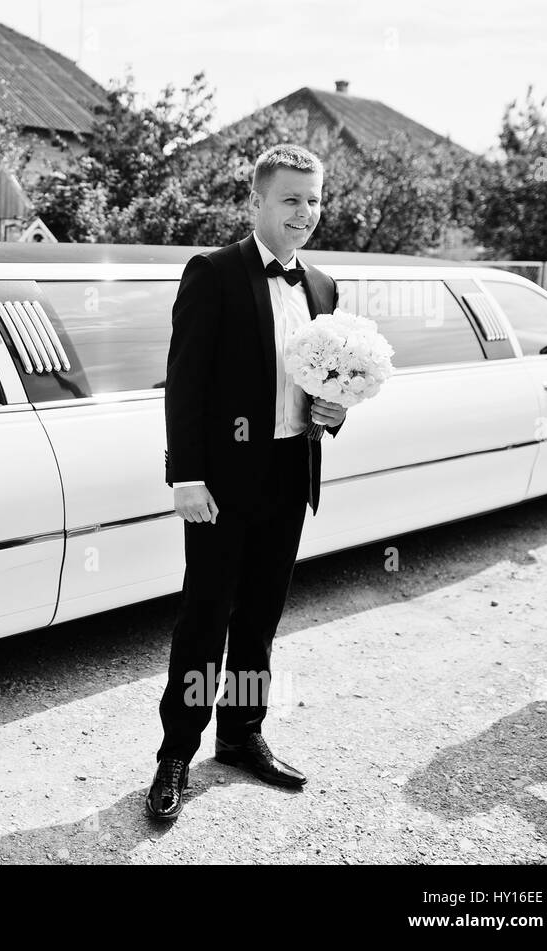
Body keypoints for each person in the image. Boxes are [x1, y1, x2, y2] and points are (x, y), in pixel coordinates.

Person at [145, 144, 347, 822]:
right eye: (291, 199)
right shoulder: (214, 273)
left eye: (314, 199)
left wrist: (333, 410)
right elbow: (187, 382)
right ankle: (177, 751)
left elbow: (319, 383)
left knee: (260, 619)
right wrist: (186, 475)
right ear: (255, 202)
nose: (306, 212)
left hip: (291, 474)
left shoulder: (322, 286)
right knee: (205, 620)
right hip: (222, 483)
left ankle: (240, 735)